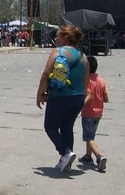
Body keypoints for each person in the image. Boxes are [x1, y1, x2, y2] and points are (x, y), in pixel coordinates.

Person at [35, 25, 89, 173]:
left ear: (65, 38)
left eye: (58, 36)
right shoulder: (83, 56)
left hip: (59, 96)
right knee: (67, 128)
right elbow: (86, 81)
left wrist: (39, 93)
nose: (55, 38)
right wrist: (81, 98)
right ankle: (65, 161)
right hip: (77, 97)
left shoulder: (58, 52)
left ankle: (65, 152)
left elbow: (46, 74)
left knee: (50, 126)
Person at [79, 56, 109, 173]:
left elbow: (89, 95)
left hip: (88, 112)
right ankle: (88, 156)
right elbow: (106, 98)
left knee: (88, 137)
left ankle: (99, 156)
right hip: (99, 113)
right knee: (91, 135)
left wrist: (79, 106)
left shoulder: (87, 80)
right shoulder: (101, 80)